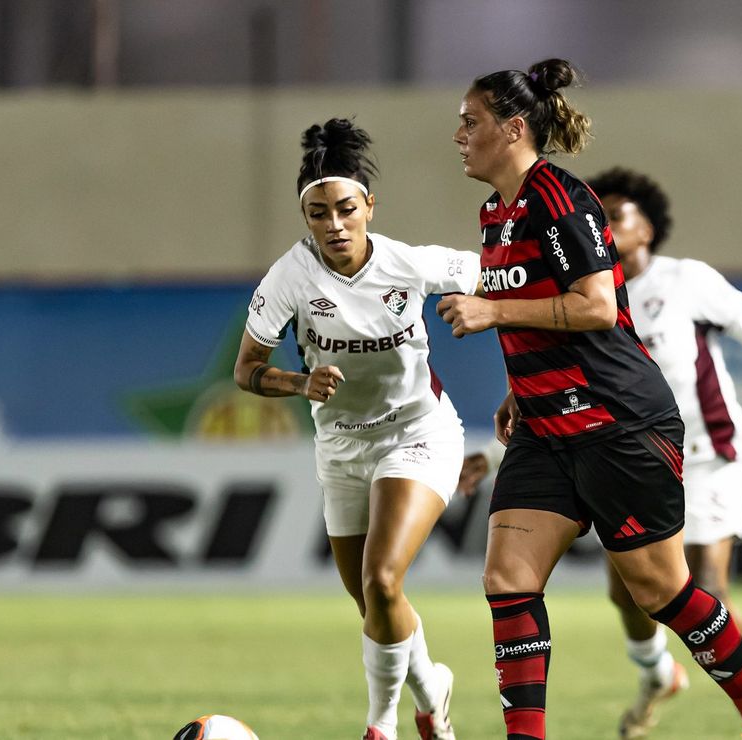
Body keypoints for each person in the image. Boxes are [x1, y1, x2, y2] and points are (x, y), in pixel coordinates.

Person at [438, 58, 742, 740]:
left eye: (470, 122)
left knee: (659, 591)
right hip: (547, 429)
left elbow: (597, 306)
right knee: (506, 578)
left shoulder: (558, 195)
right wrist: (521, 391)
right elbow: (540, 311)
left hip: (617, 421)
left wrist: (493, 312)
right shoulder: (494, 212)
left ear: (514, 128)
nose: (458, 134)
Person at [234, 118, 480, 740]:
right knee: (377, 605)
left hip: (417, 432)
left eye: (346, 208)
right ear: (307, 219)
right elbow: (247, 371)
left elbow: (503, 274)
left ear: (370, 205)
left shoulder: (410, 264)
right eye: (319, 214)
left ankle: (381, 726)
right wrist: (298, 384)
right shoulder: (289, 279)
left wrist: (495, 307)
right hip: (341, 446)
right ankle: (435, 695)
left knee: (382, 578)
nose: (334, 225)